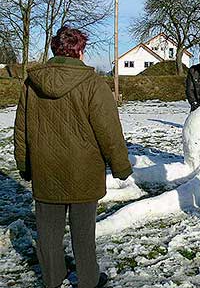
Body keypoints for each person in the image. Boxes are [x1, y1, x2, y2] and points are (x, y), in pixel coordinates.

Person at [14, 26, 132, 288]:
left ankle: (53, 279)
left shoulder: (32, 82)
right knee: (83, 234)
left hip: (46, 168)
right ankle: (88, 280)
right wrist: (121, 166)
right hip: (84, 170)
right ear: (80, 51)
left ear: (56, 50)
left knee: (48, 234)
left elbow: (20, 128)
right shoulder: (93, 84)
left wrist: (24, 164)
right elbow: (109, 130)